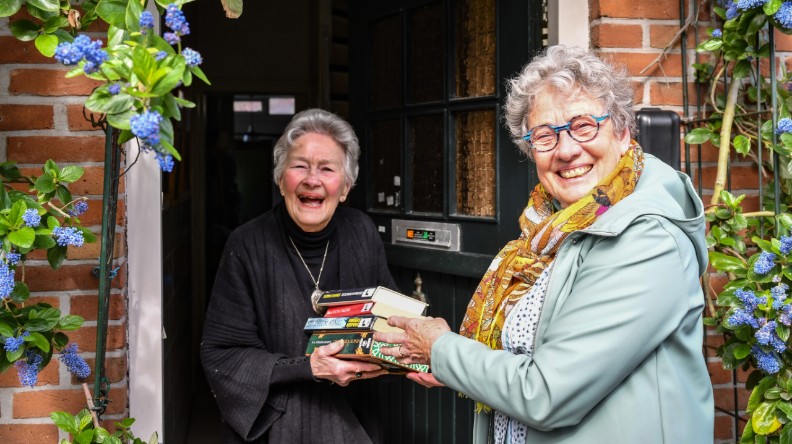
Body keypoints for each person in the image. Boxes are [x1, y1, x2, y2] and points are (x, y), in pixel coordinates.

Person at [376, 45, 714, 443]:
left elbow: (548, 393)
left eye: (585, 125)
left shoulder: (647, 239)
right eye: (545, 136)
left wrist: (441, 349)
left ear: (623, 133)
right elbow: (526, 359)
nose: (567, 149)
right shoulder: (549, 231)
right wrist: (455, 365)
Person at [201, 108, 397, 443]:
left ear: (346, 187)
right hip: (278, 425)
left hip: (355, 416)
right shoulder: (247, 244)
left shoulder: (361, 232)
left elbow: (388, 317)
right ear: (280, 179)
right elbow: (223, 353)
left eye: (326, 169)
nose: (312, 179)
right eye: (300, 166)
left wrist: (424, 352)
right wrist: (309, 367)